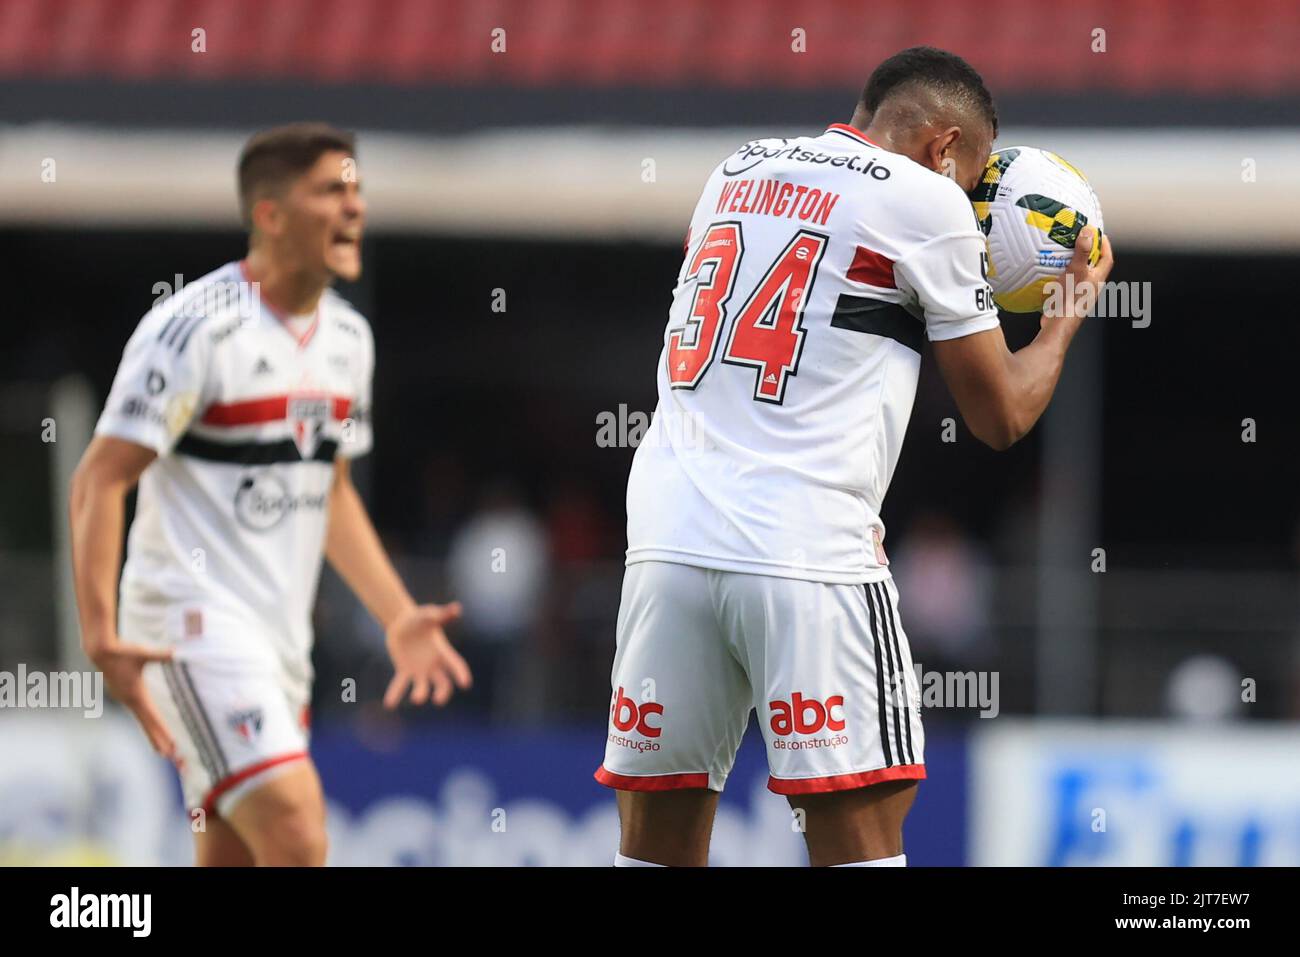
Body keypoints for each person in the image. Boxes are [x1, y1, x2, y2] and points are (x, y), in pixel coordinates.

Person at [596, 47, 1114, 866]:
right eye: (971, 179)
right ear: (943, 149)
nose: (972, 206)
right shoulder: (925, 201)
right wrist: (1067, 311)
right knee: (867, 828)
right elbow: (1002, 415)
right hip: (806, 550)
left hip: (665, 542)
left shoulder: (736, 169)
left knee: (654, 847)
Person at [68, 123, 471, 866]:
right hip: (190, 626)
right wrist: (99, 631)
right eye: (331, 191)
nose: (354, 208)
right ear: (271, 215)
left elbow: (333, 492)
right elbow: (101, 474)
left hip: (281, 643)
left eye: (356, 190)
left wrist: (399, 613)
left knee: (237, 856)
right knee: (296, 828)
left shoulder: (349, 339)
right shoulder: (193, 331)